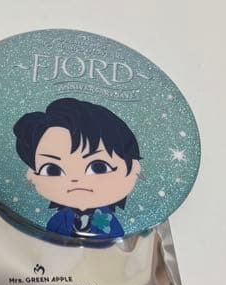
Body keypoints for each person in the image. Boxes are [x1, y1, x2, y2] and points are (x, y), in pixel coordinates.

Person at [13, 97, 142, 239]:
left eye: (98, 167)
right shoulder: (58, 219)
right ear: (32, 174)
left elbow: (114, 239)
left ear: (133, 168)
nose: (75, 179)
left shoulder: (109, 222)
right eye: (52, 169)